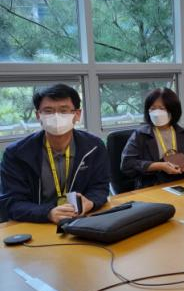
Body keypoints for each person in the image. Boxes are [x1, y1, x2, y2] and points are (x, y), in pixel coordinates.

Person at [0, 84, 109, 224]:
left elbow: (100, 187)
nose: (56, 117)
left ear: (77, 114)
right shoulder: (16, 153)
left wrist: (90, 202)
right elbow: (11, 203)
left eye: (64, 111)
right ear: (38, 116)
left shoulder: (94, 146)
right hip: (35, 223)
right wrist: (47, 213)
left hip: (80, 221)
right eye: (48, 111)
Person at [121, 88, 184, 189]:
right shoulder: (140, 135)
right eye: (153, 108)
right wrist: (159, 166)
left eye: (161, 108)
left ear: (173, 110)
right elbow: (127, 164)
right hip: (153, 186)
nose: (157, 113)